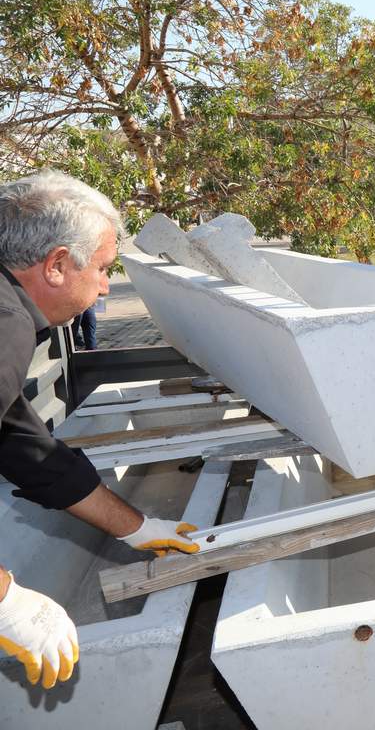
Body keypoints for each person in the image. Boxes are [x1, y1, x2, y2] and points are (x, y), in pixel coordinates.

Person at [0, 170, 201, 690]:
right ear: (59, 265)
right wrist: (6, 601)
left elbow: (26, 448)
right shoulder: (5, 325)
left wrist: (136, 527)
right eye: (105, 268)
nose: (108, 286)